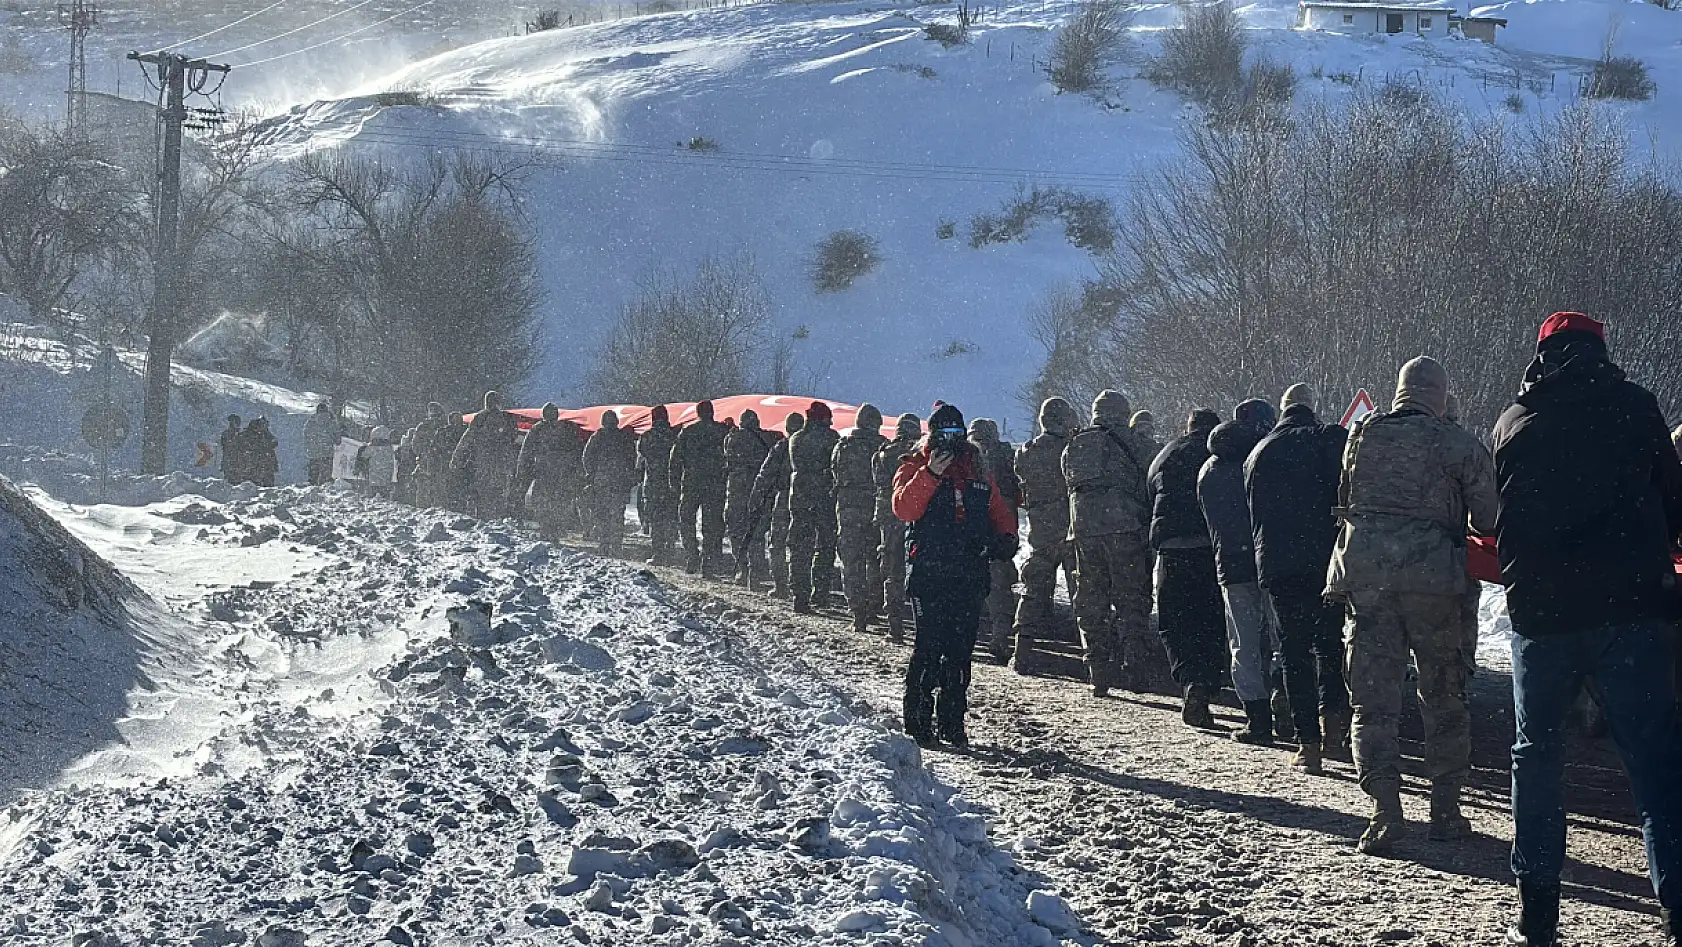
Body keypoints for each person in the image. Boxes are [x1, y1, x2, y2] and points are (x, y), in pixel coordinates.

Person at [1491, 313, 1682, 947]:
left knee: (1537, 756)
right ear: (1602, 349)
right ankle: (1677, 903)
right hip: (1631, 609)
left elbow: (1501, 521)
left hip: (1543, 617)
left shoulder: (1514, 420)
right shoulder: (1637, 407)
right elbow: (1676, 504)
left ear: (1540, 354)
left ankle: (1539, 908)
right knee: (1653, 759)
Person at [1324, 357, 1498, 854]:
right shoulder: (1458, 443)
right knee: (1443, 695)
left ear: (1399, 392)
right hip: (1436, 584)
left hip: (1366, 578)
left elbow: (1346, 497)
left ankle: (1384, 809)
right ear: (1441, 395)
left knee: (1373, 699)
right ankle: (1445, 810)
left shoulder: (1360, 436)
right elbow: (1488, 518)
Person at [893, 401, 1018, 749]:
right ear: (931, 436)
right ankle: (918, 721)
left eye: (957, 434)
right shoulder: (914, 465)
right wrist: (931, 473)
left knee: (961, 652)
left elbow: (1000, 512)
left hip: (968, 573)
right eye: (944, 434)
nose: (951, 441)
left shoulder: (977, 470)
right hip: (930, 572)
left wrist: (1006, 538)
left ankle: (952, 721)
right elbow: (905, 507)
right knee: (928, 648)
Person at [1246, 382, 1351, 775]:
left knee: (1292, 651)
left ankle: (1307, 745)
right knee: (1329, 644)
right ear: (1312, 408)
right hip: (1324, 562)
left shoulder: (1258, 453)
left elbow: (1253, 515)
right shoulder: (1327, 440)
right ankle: (1334, 728)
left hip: (1278, 566)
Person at [1064, 389, 1155, 697]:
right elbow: (1153, 474)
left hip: (1084, 531)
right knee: (1132, 597)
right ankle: (1135, 668)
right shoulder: (1135, 442)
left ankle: (1098, 670)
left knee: (1090, 600)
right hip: (1125, 527)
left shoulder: (1075, 443)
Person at [1200, 399, 1280, 744]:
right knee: (1281, 640)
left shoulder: (1209, 469)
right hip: (1267, 560)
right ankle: (1285, 706)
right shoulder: (1264, 461)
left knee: (1243, 643)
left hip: (1230, 565)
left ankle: (1257, 720)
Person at [1148, 408, 1226, 729]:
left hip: (1171, 550)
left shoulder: (1167, 453)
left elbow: (1150, 488)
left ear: (1187, 427)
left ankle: (1188, 680)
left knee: (1174, 622)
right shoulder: (1219, 453)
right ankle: (1205, 684)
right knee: (1210, 620)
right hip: (1209, 549)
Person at [1012, 398, 1081, 675]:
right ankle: (1092, 657)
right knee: (1082, 592)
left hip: (1041, 529)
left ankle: (1022, 650)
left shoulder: (1027, 452)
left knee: (1034, 589)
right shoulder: (1073, 449)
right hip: (1071, 526)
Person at [969, 418, 1022, 663]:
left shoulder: (968, 459)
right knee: (1000, 585)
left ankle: (972, 635)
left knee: (968, 582)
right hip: (1002, 528)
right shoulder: (1008, 456)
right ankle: (1000, 636)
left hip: (975, 529)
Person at [834, 404, 888, 634]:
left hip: (848, 507)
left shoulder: (844, 445)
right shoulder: (882, 446)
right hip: (875, 508)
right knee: (874, 559)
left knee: (851, 560)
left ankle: (857, 610)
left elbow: (835, 471)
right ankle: (874, 605)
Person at [787, 401, 841, 614]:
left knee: (800, 548)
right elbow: (837, 467)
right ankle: (820, 592)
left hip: (800, 498)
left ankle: (799, 595)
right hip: (824, 499)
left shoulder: (796, 438)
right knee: (825, 547)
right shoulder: (832, 439)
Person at [876, 413, 923, 643]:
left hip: (890, 516)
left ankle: (895, 627)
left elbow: (878, 482)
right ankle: (921, 627)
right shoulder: (921, 453)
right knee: (920, 572)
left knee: (893, 572)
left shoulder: (885, 453)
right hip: (917, 517)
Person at [749, 412, 806, 599]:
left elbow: (765, 474)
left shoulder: (781, 447)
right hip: (807, 498)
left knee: (777, 543)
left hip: (783, 497)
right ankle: (803, 585)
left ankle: (781, 584)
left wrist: (756, 496)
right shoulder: (809, 446)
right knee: (803, 544)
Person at [670, 400, 731, 576]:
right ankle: (709, 563)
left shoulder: (688, 432)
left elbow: (675, 459)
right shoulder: (722, 432)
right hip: (715, 485)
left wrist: (674, 482)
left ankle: (692, 556)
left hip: (691, 483)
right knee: (712, 525)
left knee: (686, 521)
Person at [515, 404, 586, 539]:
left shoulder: (538, 429)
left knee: (542, 501)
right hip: (560, 473)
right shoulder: (567, 429)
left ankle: (547, 528)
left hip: (544, 472)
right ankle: (555, 528)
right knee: (558, 501)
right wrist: (576, 470)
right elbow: (577, 450)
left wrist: (522, 469)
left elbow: (526, 451)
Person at [725, 409, 777, 589]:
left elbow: (727, 457)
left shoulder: (734, 438)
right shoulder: (768, 439)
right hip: (760, 490)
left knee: (736, 530)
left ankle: (742, 568)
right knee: (756, 531)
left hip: (738, 490)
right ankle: (755, 571)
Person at [451, 391, 521, 520]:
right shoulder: (507, 418)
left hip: (484, 459)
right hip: (502, 460)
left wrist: (457, 457)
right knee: (499, 490)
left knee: (484, 489)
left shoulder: (480, 418)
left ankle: (484, 517)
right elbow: (515, 439)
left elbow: (467, 438)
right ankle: (498, 517)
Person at [582, 410, 639, 556]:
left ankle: (604, 543)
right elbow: (632, 457)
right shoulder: (623, 438)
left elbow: (587, 456)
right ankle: (616, 544)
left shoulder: (598, 436)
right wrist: (628, 476)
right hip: (619, 482)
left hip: (602, 481)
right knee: (618, 514)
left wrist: (592, 473)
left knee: (602, 513)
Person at [638, 405, 680, 566]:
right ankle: (670, 549)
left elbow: (642, 453)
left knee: (656, 520)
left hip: (654, 483)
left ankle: (658, 553)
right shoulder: (675, 435)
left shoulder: (647, 436)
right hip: (671, 483)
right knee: (670, 518)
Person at [302, 404, 341, 486]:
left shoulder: (310, 422)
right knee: (326, 477)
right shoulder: (331, 422)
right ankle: (325, 492)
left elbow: (305, 436)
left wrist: (312, 445)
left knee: (313, 476)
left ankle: (311, 490)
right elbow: (338, 440)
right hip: (327, 453)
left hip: (314, 454)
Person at [236, 417, 278, 488]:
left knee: (266, 481)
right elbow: (247, 447)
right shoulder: (250, 434)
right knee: (252, 481)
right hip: (253, 463)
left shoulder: (265, 434)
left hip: (264, 462)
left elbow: (274, 443)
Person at [361, 426, 398, 499]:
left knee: (374, 493)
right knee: (384, 493)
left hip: (374, 475)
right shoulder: (389, 447)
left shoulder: (372, 446)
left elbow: (364, 456)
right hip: (386, 475)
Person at [218, 415, 245, 485]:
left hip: (236, 463)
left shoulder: (240, 434)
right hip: (232, 462)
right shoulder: (228, 434)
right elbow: (227, 446)